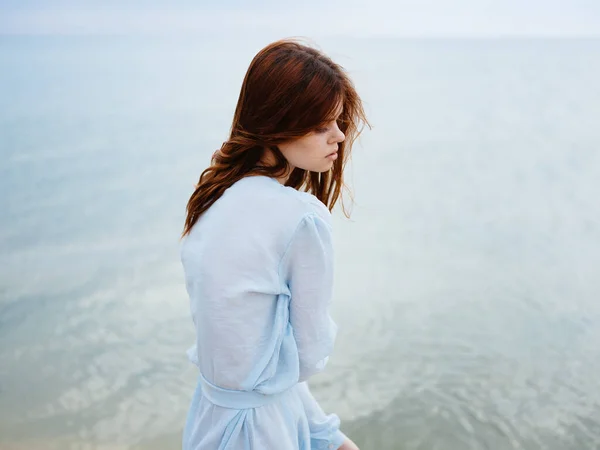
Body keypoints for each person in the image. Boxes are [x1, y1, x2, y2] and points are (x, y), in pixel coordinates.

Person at [180, 37, 370, 450]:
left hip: (210, 417)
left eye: (338, 121)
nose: (338, 136)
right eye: (322, 124)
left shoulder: (210, 200)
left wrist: (326, 434)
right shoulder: (300, 216)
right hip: (264, 430)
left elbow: (244, 353)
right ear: (278, 120)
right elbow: (309, 353)